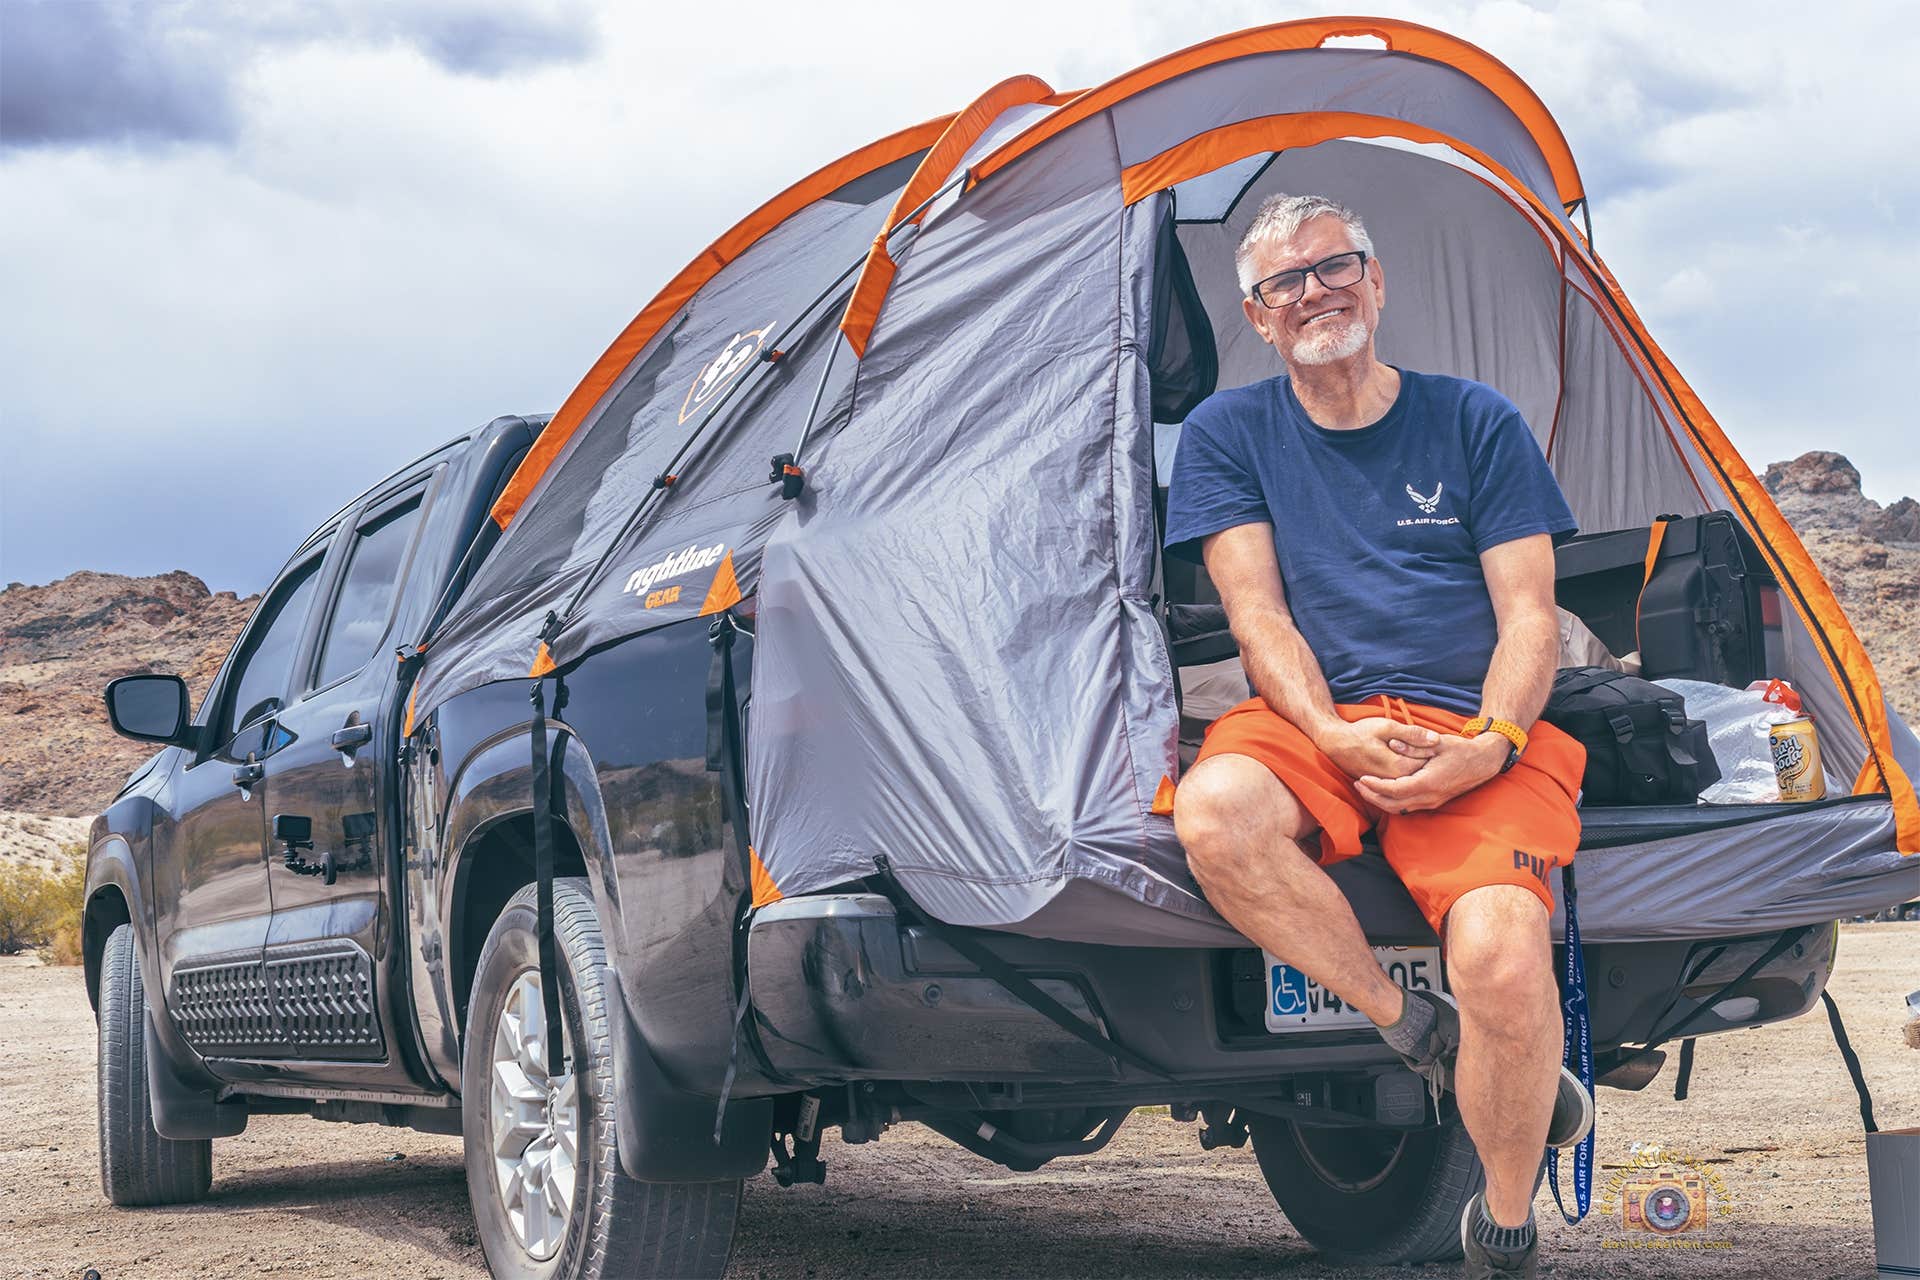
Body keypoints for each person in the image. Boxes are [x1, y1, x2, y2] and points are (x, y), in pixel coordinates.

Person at [1162, 193, 1595, 1280]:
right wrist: (1326, 729)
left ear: (1377, 277)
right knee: (1215, 811)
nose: (1314, 292)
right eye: (1284, 284)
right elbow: (1256, 612)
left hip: (1472, 723)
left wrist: (1492, 741)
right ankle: (1412, 1024)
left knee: (1502, 951)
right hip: (1323, 718)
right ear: (1258, 318)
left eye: (1332, 266)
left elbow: (1530, 616)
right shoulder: (1230, 432)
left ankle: (1500, 1224)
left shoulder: (1474, 419)